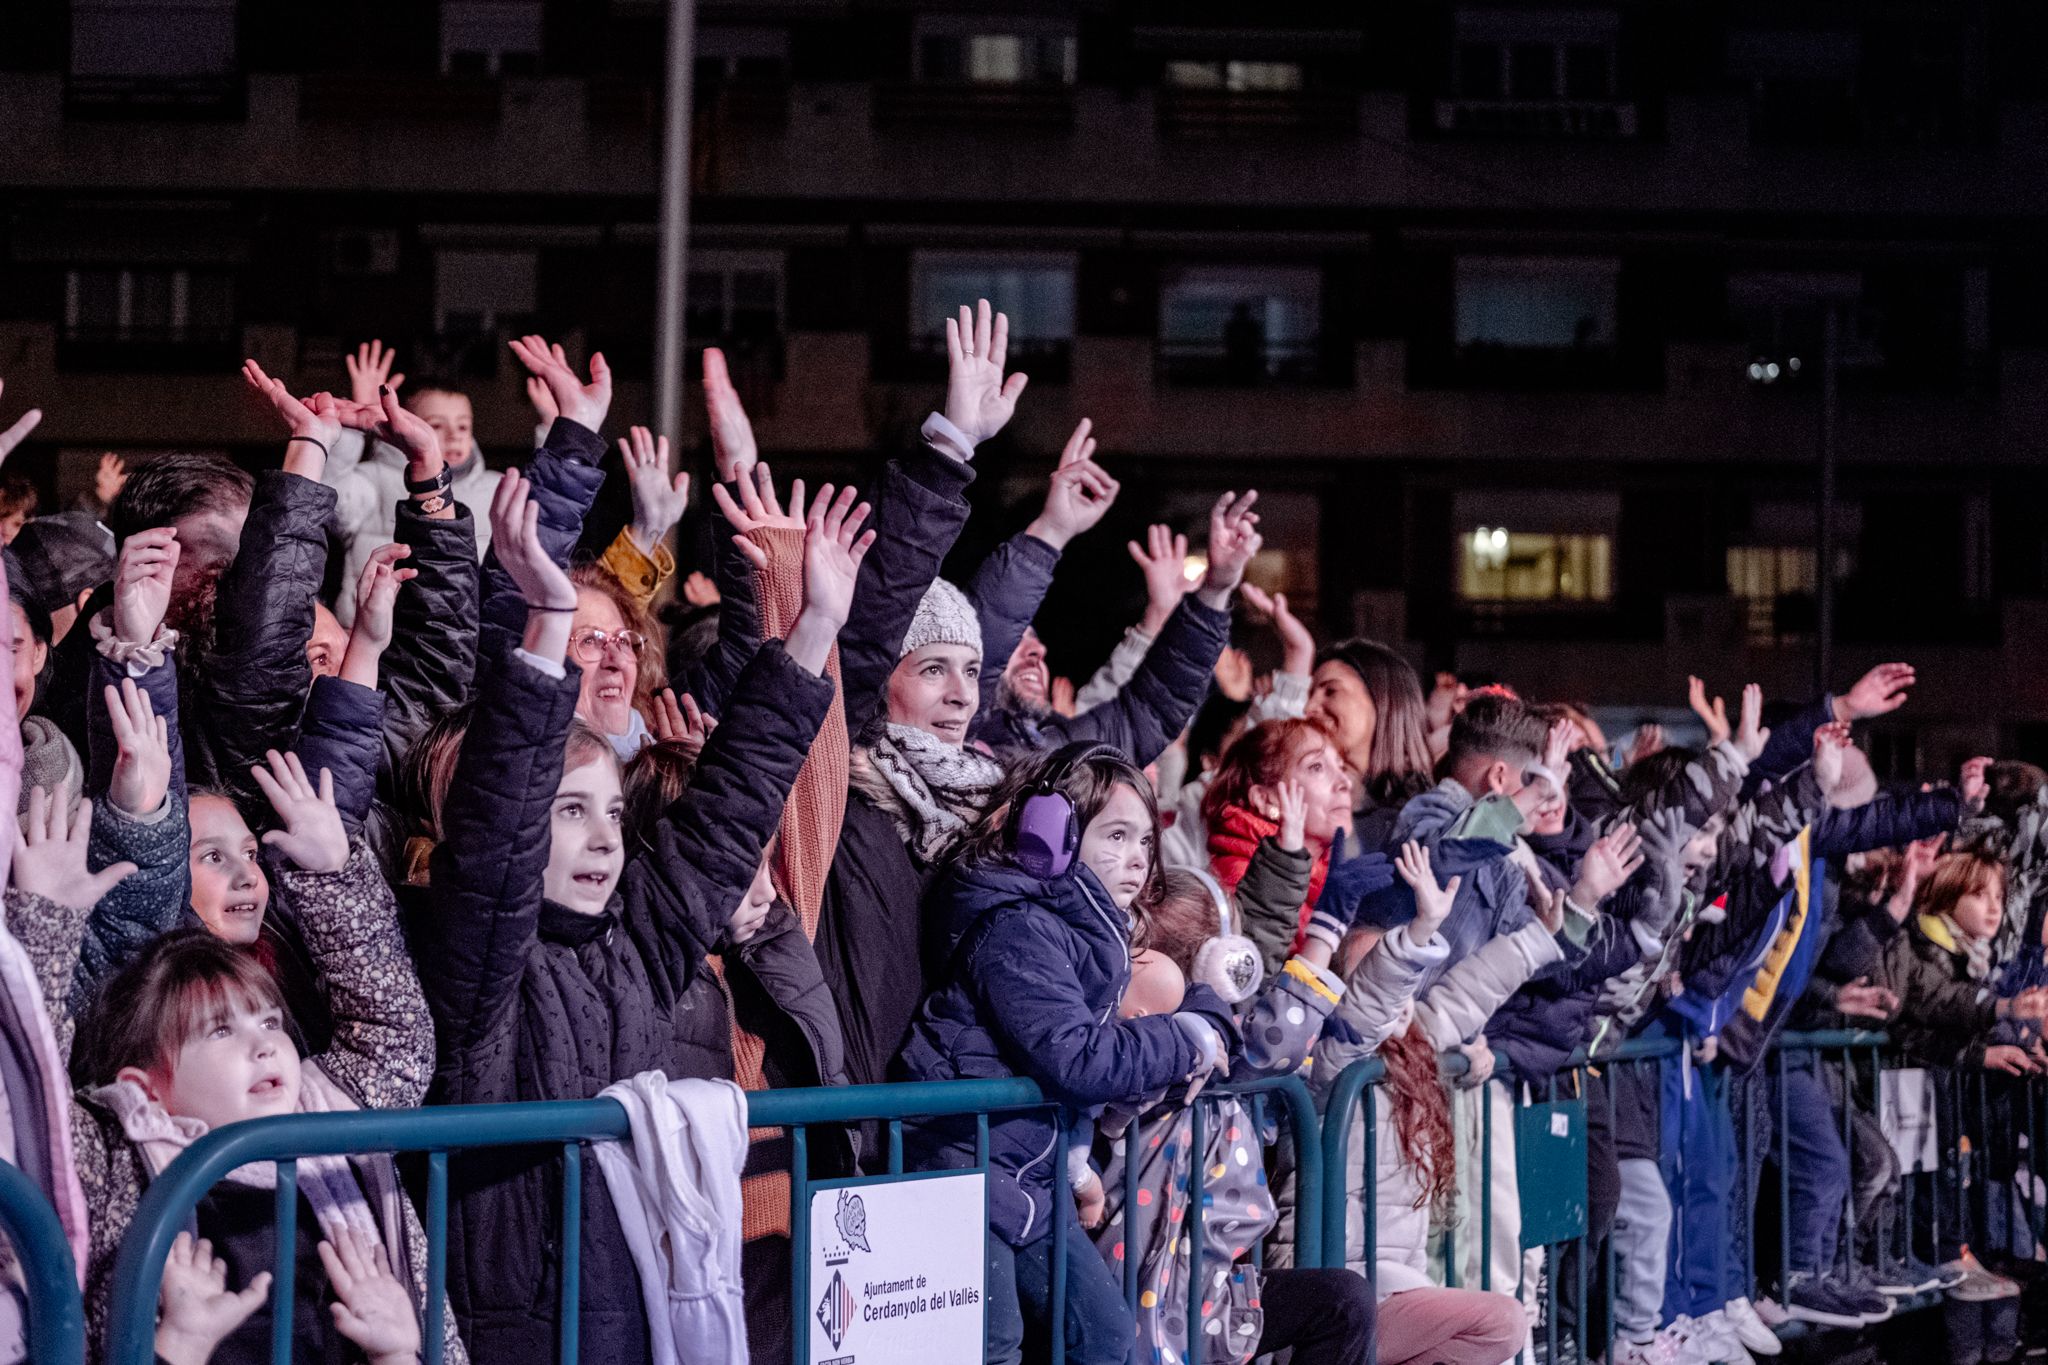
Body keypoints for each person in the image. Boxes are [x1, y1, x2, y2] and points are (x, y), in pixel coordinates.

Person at [415, 455, 867, 1365]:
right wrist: (546, 619)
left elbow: (732, 803)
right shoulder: (479, 955)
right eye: (570, 812)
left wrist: (815, 623)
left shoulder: (638, 938)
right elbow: (503, 825)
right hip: (522, 1330)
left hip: (641, 1309)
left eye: (612, 813)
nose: (602, 838)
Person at [895, 743, 1239, 1365]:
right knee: (993, 1347)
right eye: (1114, 836)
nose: (1136, 860)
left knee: (1105, 1341)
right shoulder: (1018, 926)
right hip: (963, 1171)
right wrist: (1189, 1032)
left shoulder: (1084, 932)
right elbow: (1079, 1060)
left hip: (1027, 1180)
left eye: (1144, 842)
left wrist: (1077, 1169)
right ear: (1047, 834)